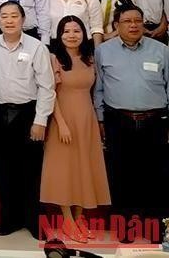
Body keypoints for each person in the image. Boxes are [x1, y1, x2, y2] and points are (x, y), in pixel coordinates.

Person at [94, 5, 169, 243]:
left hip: (155, 121)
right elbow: (99, 89)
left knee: (155, 176)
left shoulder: (162, 50)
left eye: (138, 20)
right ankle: (125, 226)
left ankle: (154, 228)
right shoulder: (103, 51)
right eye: (127, 21)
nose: (134, 25)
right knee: (121, 176)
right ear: (117, 26)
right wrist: (100, 119)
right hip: (119, 121)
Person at [0, 1, 55, 239]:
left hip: (28, 115)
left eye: (14, 16)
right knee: (4, 171)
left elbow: (47, 86)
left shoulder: (36, 47)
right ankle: (10, 219)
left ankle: (33, 221)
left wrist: (40, 120)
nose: (9, 20)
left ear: (23, 20)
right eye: (4, 16)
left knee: (30, 170)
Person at [41, 15, 110, 243]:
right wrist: (60, 123)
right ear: (59, 35)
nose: (72, 35)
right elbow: (50, 93)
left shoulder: (90, 58)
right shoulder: (54, 58)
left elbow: (95, 90)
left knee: (85, 168)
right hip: (64, 120)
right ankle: (67, 220)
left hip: (87, 119)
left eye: (76, 31)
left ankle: (80, 218)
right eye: (67, 31)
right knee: (65, 171)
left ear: (84, 33)